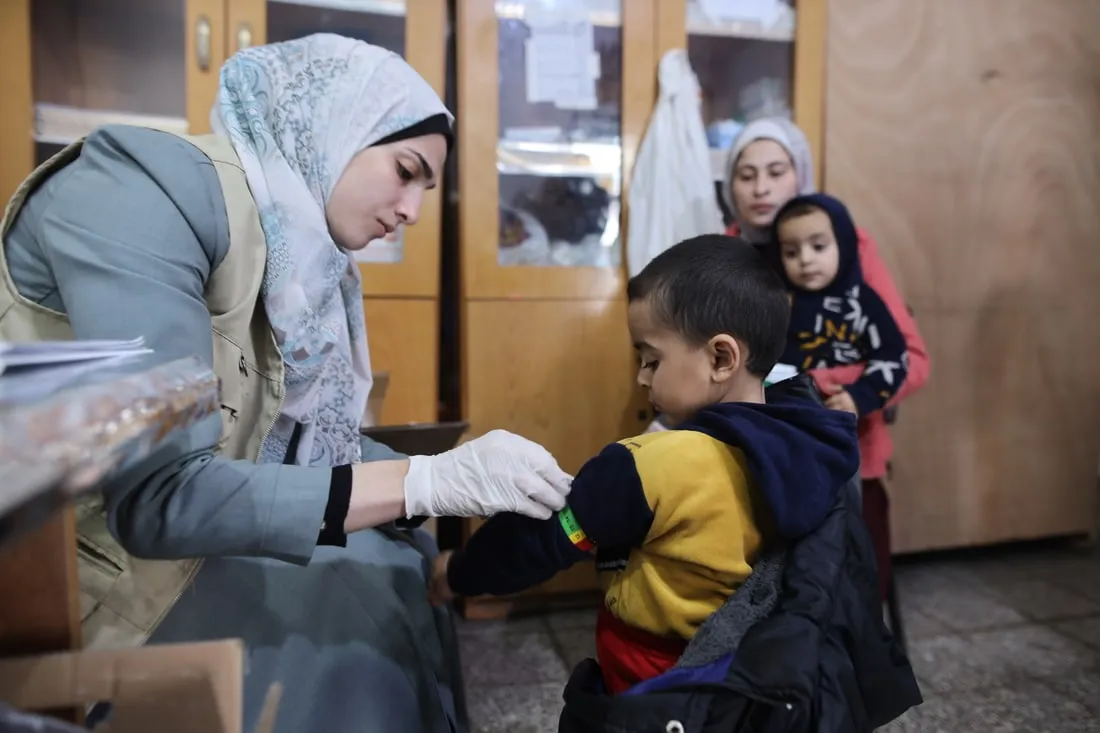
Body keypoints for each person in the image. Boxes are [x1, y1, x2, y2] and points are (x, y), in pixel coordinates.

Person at [0, 35, 572, 732]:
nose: (413, 212)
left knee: (398, 554)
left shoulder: (302, 260)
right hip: (94, 569)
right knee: (360, 641)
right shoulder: (143, 188)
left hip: (185, 527)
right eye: (405, 170)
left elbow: (281, 434)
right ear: (333, 124)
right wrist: (426, 482)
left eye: (426, 187)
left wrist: (482, 479)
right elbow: (159, 498)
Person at [429, 236, 861, 694]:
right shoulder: (810, 444)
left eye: (652, 359)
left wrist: (455, 572)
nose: (641, 377)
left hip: (656, 684)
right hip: (753, 681)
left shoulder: (651, 465)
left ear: (720, 357)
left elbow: (541, 542)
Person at [723, 117, 930, 601]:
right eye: (746, 174)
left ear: (801, 174)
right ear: (729, 185)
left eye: (777, 171)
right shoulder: (725, 253)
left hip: (850, 447)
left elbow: (910, 358)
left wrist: (816, 385)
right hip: (759, 448)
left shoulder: (842, 244)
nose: (761, 188)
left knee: (850, 586)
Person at [770, 193, 909, 417]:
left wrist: (860, 396)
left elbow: (893, 357)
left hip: (856, 434)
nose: (805, 259)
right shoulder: (777, 302)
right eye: (791, 252)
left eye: (818, 246)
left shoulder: (863, 303)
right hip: (791, 428)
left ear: (843, 244)